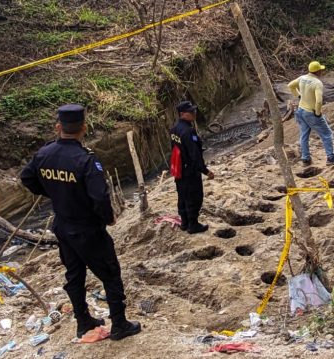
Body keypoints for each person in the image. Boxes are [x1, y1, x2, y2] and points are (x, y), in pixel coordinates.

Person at [20, 104, 141, 341]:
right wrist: (108, 218)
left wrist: (55, 193)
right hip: (88, 229)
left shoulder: (45, 154)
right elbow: (99, 196)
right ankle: (119, 325)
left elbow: (27, 178)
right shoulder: (85, 161)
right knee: (110, 274)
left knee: (74, 275)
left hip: (63, 227)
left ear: (58, 127)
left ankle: (83, 321)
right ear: (83, 128)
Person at [287, 61, 334, 166]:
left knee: (304, 135)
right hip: (310, 112)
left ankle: (306, 159)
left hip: (300, 110)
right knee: (327, 134)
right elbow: (319, 101)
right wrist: (317, 113)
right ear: (318, 71)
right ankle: (331, 158)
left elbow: (290, 85)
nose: (322, 71)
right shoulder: (317, 83)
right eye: (321, 70)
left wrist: (299, 96)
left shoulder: (302, 78)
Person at [170, 101, 214, 234]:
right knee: (194, 197)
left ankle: (184, 222)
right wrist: (206, 171)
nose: (194, 114)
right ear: (183, 114)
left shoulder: (174, 129)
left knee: (182, 195)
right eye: (191, 112)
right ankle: (193, 225)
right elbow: (194, 154)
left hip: (179, 168)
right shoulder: (188, 131)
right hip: (189, 170)